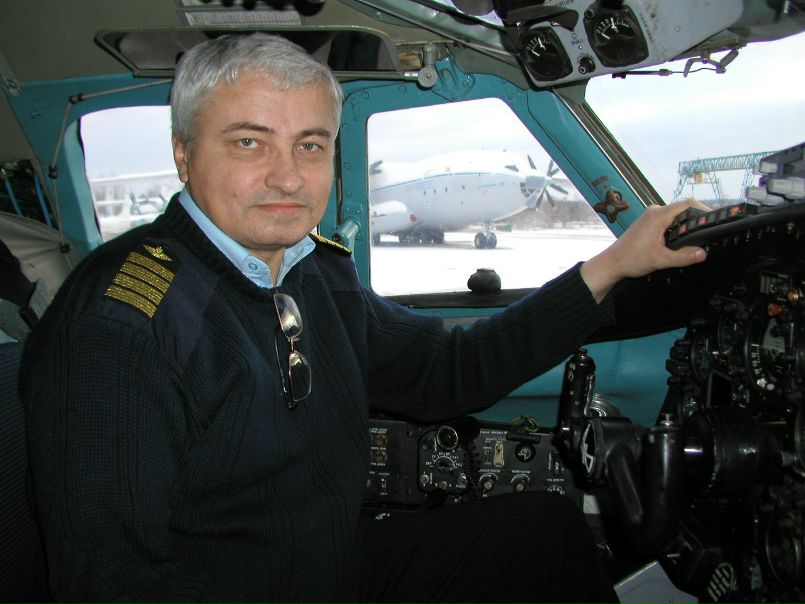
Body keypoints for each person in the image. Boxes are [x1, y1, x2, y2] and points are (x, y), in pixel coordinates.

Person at [20, 33, 707, 603]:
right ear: (183, 154)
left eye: (310, 144)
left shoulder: (312, 272)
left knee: (545, 534)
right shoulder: (121, 327)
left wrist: (613, 264)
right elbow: (111, 583)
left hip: (328, 566)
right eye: (250, 143)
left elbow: (449, 373)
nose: (288, 177)